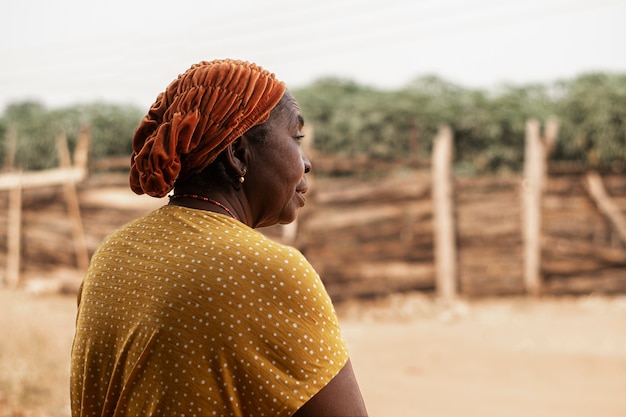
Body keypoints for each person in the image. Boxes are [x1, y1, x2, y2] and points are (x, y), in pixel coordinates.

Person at [70, 59, 368, 417]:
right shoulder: (272, 272)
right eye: (296, 138)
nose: (306, 163)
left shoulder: (113, 253)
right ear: (238, 155)